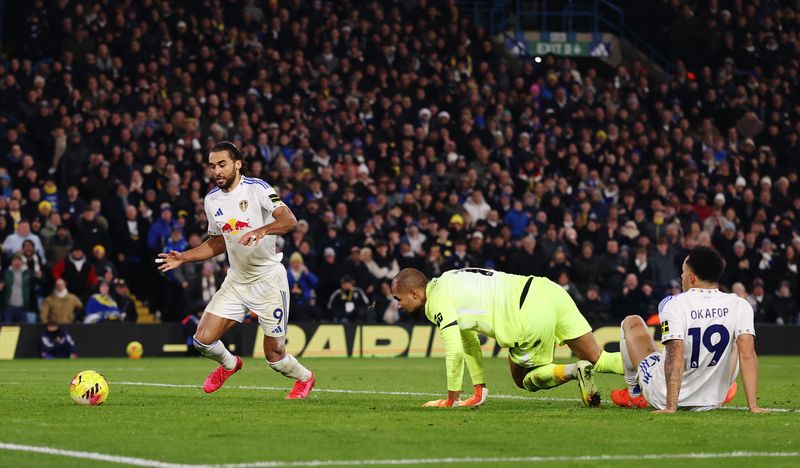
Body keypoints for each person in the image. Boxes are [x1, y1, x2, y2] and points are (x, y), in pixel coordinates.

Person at [157, 141, 314, 399]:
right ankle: (230, 364)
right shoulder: (212, 200)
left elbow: (289, 220)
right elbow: (218, 242)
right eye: (212, 166)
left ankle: (305, 378)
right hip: (237, 281)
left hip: (268, 282)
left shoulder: (258, 189)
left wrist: (261, 230)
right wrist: (184, 257)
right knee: (202, 340)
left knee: (274, 357)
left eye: (222, 164)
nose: (217, 171)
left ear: (237, 164)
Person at [390, 267, 624, 408]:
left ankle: (574, 370)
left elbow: (454, 350)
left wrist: (451, 399)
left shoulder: (435, 303)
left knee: (523, 378)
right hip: (548, 289)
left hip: (528, 312)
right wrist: (479, 390)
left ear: (414, 293)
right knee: (599, 357)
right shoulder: (449, 279)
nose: (398, 305)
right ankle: (648, 368)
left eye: (398, 299)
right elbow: (468, 341)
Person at [611, 247, 765, 413]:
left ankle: (634, 394)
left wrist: (670, 407)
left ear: (691, 277)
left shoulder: (675, 304)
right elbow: (747, 355)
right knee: (735, 344)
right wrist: (754, 407)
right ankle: (722, 387)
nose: (682, 276)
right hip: (712, 399)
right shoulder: (739, 304)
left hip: (664, 396)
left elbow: (674, 355)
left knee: (631, 322)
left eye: (683, 272)